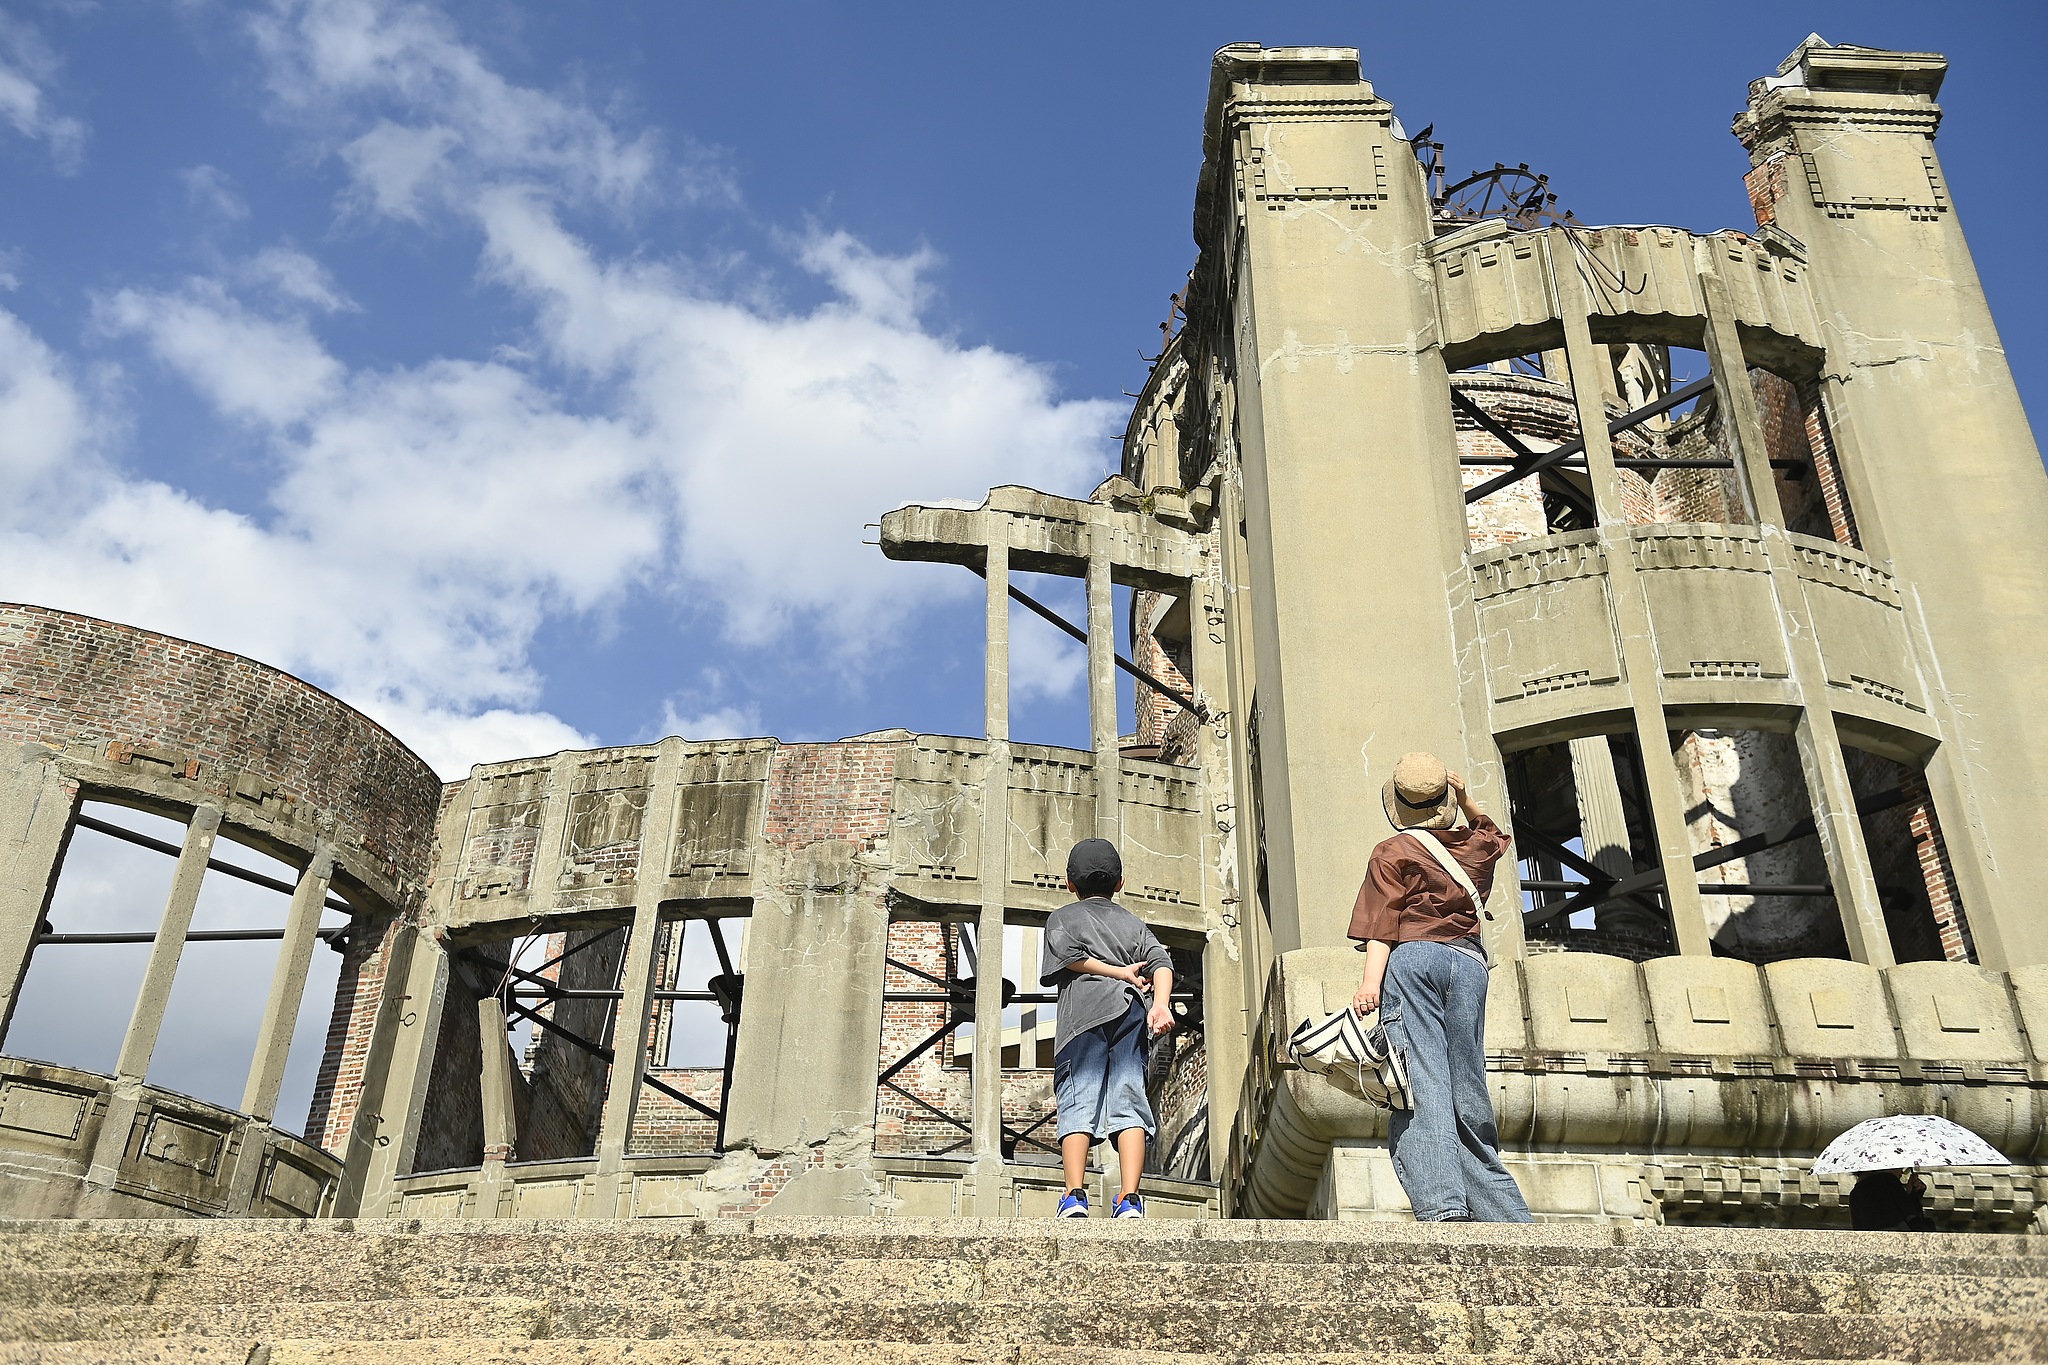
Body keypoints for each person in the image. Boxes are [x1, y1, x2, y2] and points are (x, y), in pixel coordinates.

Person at [1349, 751, 1531, 1223]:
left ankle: (1443, 1206)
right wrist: (1467, 799)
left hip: (1414, 961)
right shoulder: (1472, 848)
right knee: (1468, 1086)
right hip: (1469, 965)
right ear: (1445, 798)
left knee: (1421, 1082)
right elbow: (1495, 835)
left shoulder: (1392, 852)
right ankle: (1505, 1215)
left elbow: (1383, 925)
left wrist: (1370, 983)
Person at [1040, 837, 1174, 1219]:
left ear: (1070, 883)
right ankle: (1129, 1198)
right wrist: (1160, 1004)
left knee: (1078, 1097)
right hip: (1131, 1015)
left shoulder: (1063, 917)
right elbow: (1160, 963)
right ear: (1120, 883)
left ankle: (1074, 1195)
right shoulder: (1134, 923)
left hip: (1082, 1018)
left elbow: (1070, 958)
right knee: (1130, 1097)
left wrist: (1114, 972)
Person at [1850, 1169, 1934, 1231]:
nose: (1902, 1171)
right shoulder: (1887, 1180)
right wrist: (1914, 1197)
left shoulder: (1855, 1193)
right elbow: (1913, 1220)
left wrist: (1911, 1195)